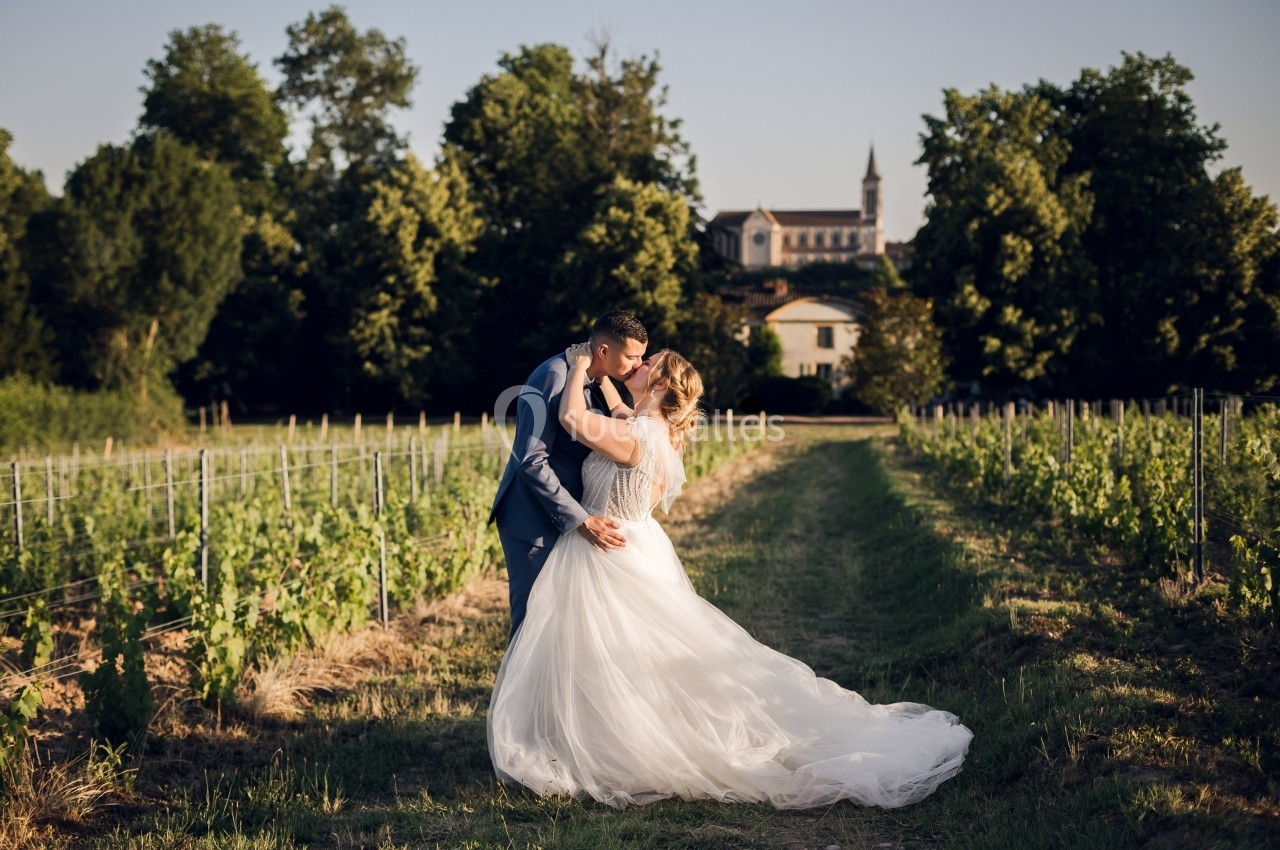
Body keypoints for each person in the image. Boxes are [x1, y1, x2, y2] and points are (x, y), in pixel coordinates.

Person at [487, 345, 974, 810]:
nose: (633, 363)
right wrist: (610, 377)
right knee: (623, 654)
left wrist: (576, 364)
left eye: (645, 362)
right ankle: (586, 737)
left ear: (658, 384)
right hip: (630, 545)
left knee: (614, 652)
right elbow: (618, 405)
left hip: (607, 550)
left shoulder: (634, 436)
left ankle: (602, 745)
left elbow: (572, 417)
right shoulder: (644, 426)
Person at [489, 311, 649, 638]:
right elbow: (531, 460)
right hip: (532, 520)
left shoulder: (596, 380)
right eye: (632, 356)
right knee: (534, 627)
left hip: (569, 520)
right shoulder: (552, 377)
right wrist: (581, 520)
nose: (638, 365)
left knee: (568, 630)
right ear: (604, 351)